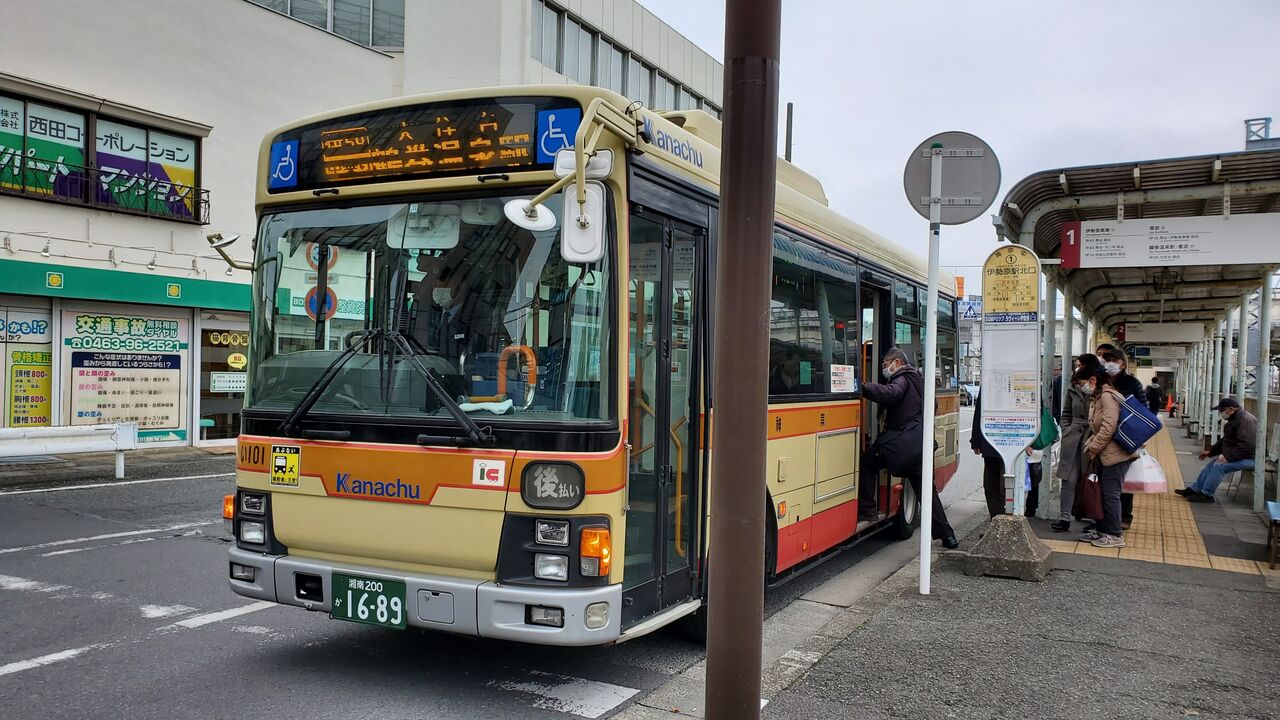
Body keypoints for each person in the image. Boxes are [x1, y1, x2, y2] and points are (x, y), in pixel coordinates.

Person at [858, 347, 958, 548]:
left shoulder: (902, 379)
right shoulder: (920, 380)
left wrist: (863, 387)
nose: (885, 368)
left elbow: (891, 393)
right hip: (920, 446)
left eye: (886, 364)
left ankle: (867, 510)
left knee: (868, 462)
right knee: (927, 493)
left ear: (897, 362)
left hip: (903, 444)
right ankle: (948, 536)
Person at [1077, 363, 1138, 548]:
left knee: (1111, 494)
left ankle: (1115, 534)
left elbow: (1108, 427)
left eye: (1081, 383)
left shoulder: (1107, 396)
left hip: (1117, 454)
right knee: (1103, 492)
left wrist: (1093, 447)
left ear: (1092, 380)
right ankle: (1103, 530)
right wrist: (1091, 443)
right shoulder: (1100, 396)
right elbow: (1099, 427)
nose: (1081, 387)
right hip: (1109, 453)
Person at [1176, 397, 1258, 503]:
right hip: (1242, 456)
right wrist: (1211, 451)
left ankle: (1207, 495)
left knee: (1219, 467)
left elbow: (1247, 445)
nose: (1221, 413)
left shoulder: (1245, 421)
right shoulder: (1236, 419)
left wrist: (1228, 457)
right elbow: (1226, 440)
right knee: (1213, 464)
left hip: (1250, 458)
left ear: (1231, 409)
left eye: (1222, 410)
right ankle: (1195, 489)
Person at [1053, 354, 1100, 532]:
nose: (1077, 368)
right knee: (1068, 478)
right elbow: (1066, 413)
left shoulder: (1100, 389)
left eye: (1080, 365)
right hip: (1072, 437)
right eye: (1076, 365)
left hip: (1092, 438)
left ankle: (1094, 518)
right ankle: (1064, 518)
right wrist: (1066, 429)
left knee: (1091, 479)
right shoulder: (1073, 387)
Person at [1098, 347, 1142, 529]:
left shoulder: (1132, 383)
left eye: (1114, 361)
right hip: (1104, 437)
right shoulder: (1101, 379)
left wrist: (1139, 438)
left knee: (1123, 481)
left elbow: (1142, 410)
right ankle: (1104, 519)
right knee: (1105, 483)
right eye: (1107, 360)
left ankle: (1123, 518)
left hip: (1125, 438)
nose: (1110, 363)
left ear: (1123, 364)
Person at [969, 391, 1005, 518]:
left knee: (1003, 486)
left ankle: (1004, 520)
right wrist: (976, 441)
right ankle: (997, 521)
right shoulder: (988, 381)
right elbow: (980, 410)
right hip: (992, 439)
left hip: (1013, 440)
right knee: (991, 485)